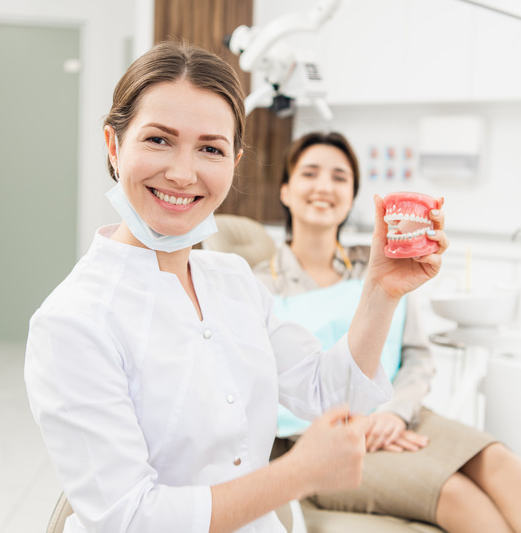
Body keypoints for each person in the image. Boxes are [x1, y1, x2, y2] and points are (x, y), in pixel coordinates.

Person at [24, 42, 449, 533]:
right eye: (159, 140)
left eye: (211, 148)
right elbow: (131, 518)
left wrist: (380, 289)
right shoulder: (73, 321)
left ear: (234, 161)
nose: (183, 173)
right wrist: (296, 475)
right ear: (114, 146)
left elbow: (328, 393)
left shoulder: (233, 281)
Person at [253, 131, 521, 533]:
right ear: (287, 191)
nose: (325, 186)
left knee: (499, 461)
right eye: (310, 173)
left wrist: (394, 413)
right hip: (321, 442)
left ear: (353, 196)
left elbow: (416, 358)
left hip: (403, 416)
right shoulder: (257, 286)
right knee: (459, 496)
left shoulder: (377, 269)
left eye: (340, 177)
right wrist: (357, 423)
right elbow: (261, 392)